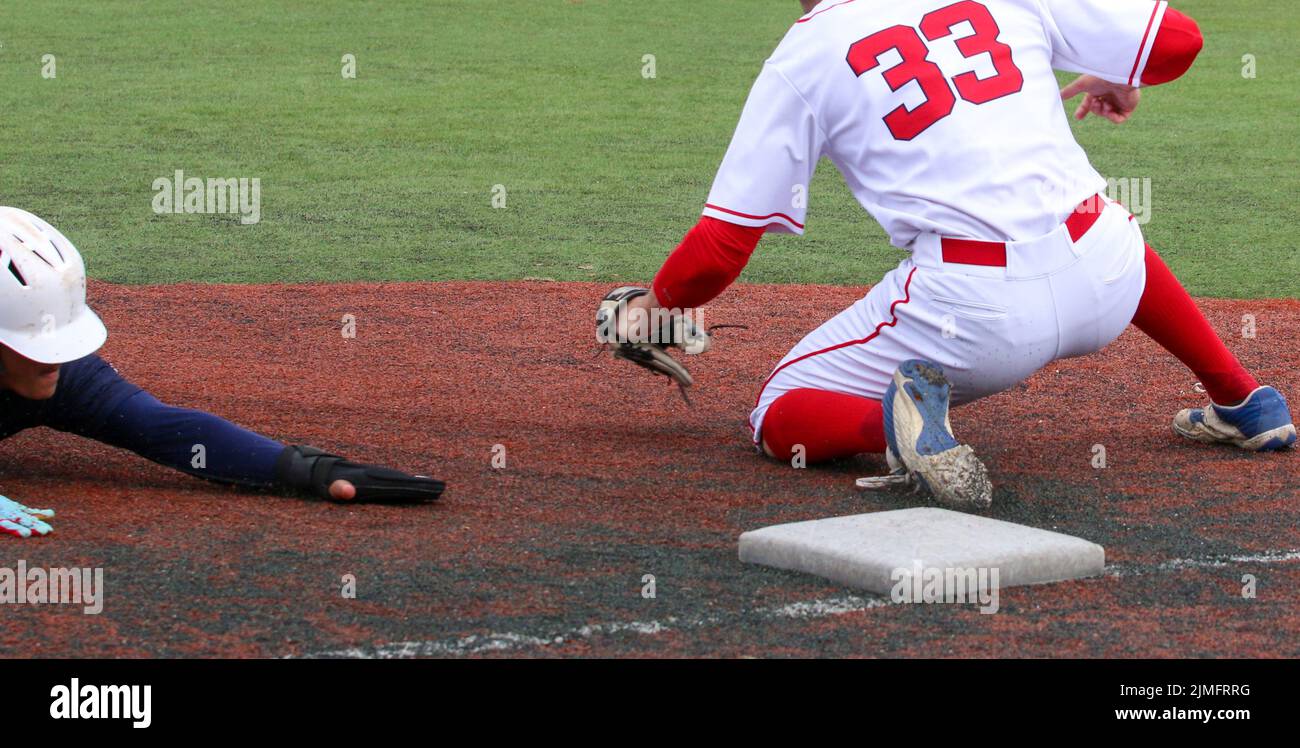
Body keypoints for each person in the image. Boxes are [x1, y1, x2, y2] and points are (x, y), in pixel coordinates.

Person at [611, 0, 1294, 508]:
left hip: (978, 320)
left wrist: (652, 307)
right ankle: (1246, 401)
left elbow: (723, 244)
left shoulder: (804, 55)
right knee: (1099, 219)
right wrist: (1114, 70)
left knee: (778, 407)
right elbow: (1180, 41)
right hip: (1106, 277)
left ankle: (892, 421)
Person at [0, 207, 443, 538]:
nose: (54, 359)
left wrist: (308, 470)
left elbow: (161, 428)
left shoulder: (63, 377)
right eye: (35, 344)